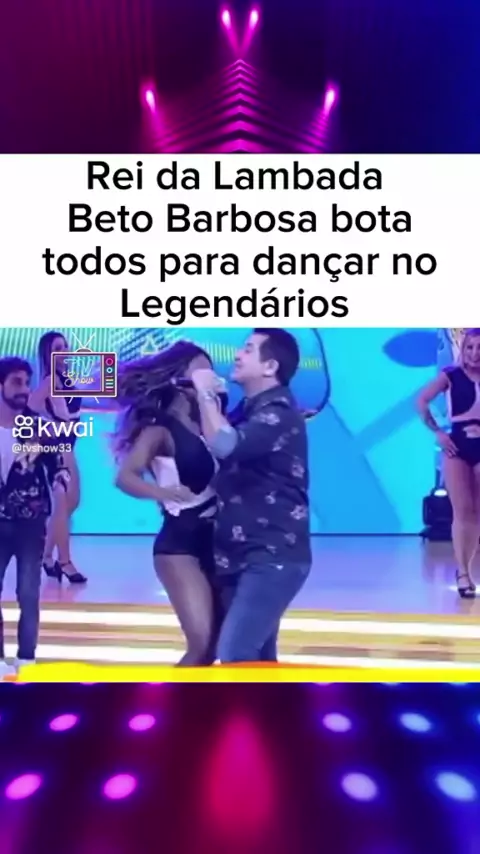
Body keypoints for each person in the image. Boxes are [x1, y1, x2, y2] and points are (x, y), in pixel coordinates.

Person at [191, 328, 311, 663]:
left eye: (247, 349)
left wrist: (205, 394)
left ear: (270, 366)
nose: (237, 355)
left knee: (236, 654)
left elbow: (225, 444)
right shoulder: (247, 410)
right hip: (237, 553)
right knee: (258, 659)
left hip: (272, 554)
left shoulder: (279, 412)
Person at [114, 341, 222, 665]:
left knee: (216, 648)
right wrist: (162, 494)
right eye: (201, 370)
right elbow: (125, 477)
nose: (209, 377)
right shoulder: (159, 431)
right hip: (179, 547)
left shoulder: (210, 424)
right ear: (179, 377)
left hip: (216, 543)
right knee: (201, 643)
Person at [0, 356, 69, 678]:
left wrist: (60, 479)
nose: (24, 389)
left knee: (28, 593)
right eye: (17, 382)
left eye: (27, 383)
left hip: (31, 523)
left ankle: (26, 657)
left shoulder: (37, 425)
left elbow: (58, 464)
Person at [417, 328, 480, 598]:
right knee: (462, 510)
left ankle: (468, 569)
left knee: (476, 513)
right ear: (463, 349)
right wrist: (438, 432)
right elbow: (422, 400)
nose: (474, 353)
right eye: (470, 347)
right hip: (457, 447)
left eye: (479, 348)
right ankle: (463, 572)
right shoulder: (450, 375)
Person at [29, 331, 86, 584]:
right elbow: (29, 408)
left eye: (65, 347)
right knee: (63, 504)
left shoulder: (65, 379)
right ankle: (65, 561)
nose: (64, 352)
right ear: (48, 354)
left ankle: (45, 556)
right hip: (58, 447)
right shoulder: (50, 380)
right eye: (58, 349)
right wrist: (47, 427)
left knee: (70, 503)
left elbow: (72, 409)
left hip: (68, 444)